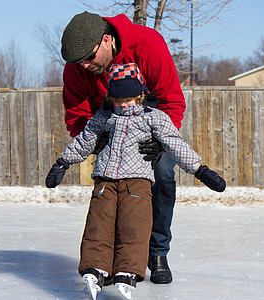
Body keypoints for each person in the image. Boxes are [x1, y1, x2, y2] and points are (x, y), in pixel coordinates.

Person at [46, 63, 225, 300]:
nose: (123, 105)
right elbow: (84, 141)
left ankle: (128, 271)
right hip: (105, 180)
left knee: (134, 227)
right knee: (99, 224)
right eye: (118, 100)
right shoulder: (104, 116)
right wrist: (63, 162)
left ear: (140, 94)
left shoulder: (155, 118)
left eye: (128, 99)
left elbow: (175, 145)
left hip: (137, 183)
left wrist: (200, 170)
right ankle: (96, 267)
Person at [60, 11, 188, 284]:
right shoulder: (77, 67)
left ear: (106, 40)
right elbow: (75, 112)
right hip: (108, 130)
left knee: (163, 175)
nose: (84, 66)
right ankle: (108, 261)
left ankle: (157, 254)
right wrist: (96, 141)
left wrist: (159, 142)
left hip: (150, 127)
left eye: (89, 58)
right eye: (79, 62)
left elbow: (172, 101)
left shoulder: (147, 45)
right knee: (109, 192)